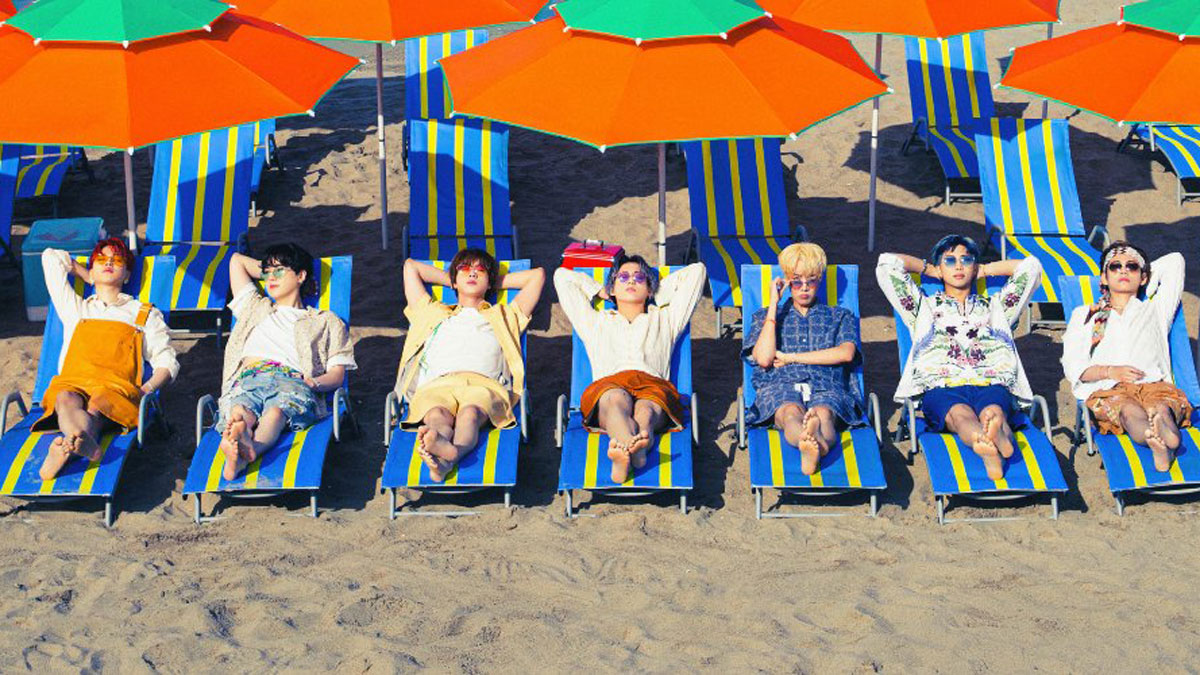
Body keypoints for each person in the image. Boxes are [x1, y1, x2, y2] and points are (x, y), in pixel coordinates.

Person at [877, 235, 1042, 480]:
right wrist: (927, 269)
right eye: (949, 261)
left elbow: (1031, 267)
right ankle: (987, 444)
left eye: (966, 260)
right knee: (959, 414)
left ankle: (994, 437)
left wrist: (984, 270)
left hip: (990, 381)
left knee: (993, 411)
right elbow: (887, 263)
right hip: (941, 385)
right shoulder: (922, 307)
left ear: (974, 266)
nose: (958, 266)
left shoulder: (998, 307)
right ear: (940, 268)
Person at [34, 238, 178, 480]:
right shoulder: (77, 309)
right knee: (65, 397)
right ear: (92, 270)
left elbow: (167, 362)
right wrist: (86, 275)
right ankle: (77, 442)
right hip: (74, 381)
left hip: (115, 388)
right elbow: (50, 257)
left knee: (98, 405)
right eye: (101, 260)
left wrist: (146, 390)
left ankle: (69, 444)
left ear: (128, 275)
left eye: (117, 260)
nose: (108, 263)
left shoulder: (143, 314)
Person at [395, 250, 545, 482]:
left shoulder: (504, 315)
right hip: (438, 384)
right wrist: (455, 279)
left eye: (480, 270)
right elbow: (410, 267)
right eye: (465, 268)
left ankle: (452, 453)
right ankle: (442, 452)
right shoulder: (430, 312)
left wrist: (487, 280)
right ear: (454, 280)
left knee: (470, 414)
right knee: (436, 415)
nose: (472, 273)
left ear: (490, 282)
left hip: (484, 385)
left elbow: (537, 276)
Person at [555, 255, 706, 483]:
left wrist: (658, 292)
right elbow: (562, 277)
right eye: (623, 277)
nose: (631, 281)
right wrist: (599, 290)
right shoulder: (595, 322)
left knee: (646, 410)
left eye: (640, 278)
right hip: (610, 386)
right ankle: (634, 449)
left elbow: (697, 271)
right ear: (613, 288)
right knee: (616, 400)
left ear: (649, 289)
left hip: (653, 386)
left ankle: (629, 452)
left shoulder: (667, 319)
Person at [217, 244, 356, 480]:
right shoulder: (254, 306)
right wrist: (272, 268)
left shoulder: (326, 321)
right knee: (240, 409)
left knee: (275, 413)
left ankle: (248, 450)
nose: (270, 278)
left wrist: (314, 383)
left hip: (291, 380)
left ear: (301, 276)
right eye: (267, 273)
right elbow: (236, 261)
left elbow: (337, 374)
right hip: (249, 377)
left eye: (279, 271)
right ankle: (240, 436)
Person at [1062, 242, 1187, 471]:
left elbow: (1175, 260)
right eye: (1115, 266)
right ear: (1103, 277)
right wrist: (1109, 371)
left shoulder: (1155, 309)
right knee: (1129, 412)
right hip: (1110, 389)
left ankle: (1166, 439)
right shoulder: (1086, 315)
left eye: (1131, 266)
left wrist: (1144, 278)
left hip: (1154, 385)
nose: (1123, 270)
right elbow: (1072, 365)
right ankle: (1155, 439)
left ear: (1143, 277)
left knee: (1161, 408)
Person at [744, 243, 862, 475]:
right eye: (797, 281)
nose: (804, 287)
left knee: (824, 413)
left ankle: (812, 440)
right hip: (781, 385)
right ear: (787, 281)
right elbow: (764, 359)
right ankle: (811, 443)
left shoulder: (840, 316)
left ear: (820, 280)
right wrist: (774, 305)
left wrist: (791, 358)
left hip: (826, 385)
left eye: (812, 281)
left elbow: (846, 353)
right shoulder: (765, 317)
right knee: (790, 413)